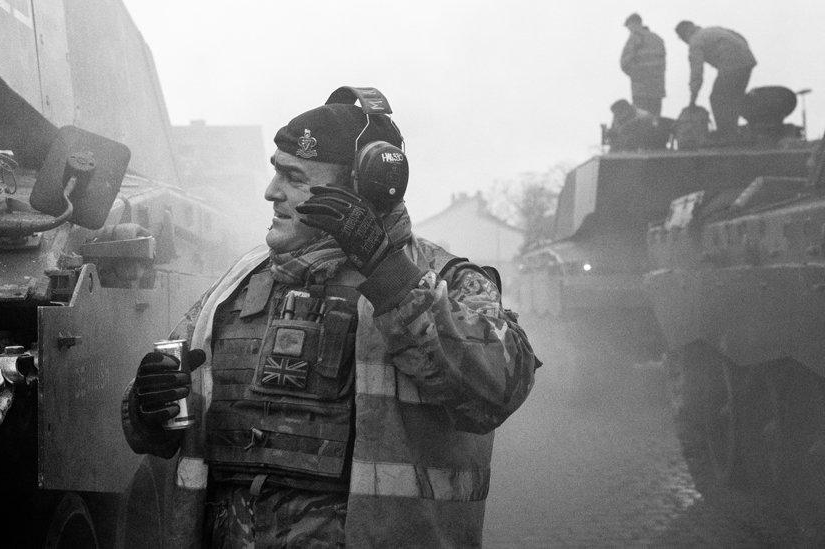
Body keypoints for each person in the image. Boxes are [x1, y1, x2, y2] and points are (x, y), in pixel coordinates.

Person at [121, 87, 539, 547]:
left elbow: (502, 387)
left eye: (293, 177)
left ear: (365, 191)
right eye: (274, 171)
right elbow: (156, 432)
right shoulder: (236, 285)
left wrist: (389, 275)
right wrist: (147, 406)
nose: (270, 192)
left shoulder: (445, 281)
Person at [675, 20, 757, 138]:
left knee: (717, 98)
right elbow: (739, 37)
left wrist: (693, 99)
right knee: (735, 97)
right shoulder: (712, 30)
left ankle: (726, 134)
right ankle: (741, 129)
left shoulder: (695, 41)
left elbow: (696, 73)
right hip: (747, 60)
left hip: (731, 64)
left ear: (684, 34)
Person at [620, 13, 666, 116]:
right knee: (655, 121)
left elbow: (624, 63)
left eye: (628, 26)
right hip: (657, 88)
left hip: (641, 88)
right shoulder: (658, 39)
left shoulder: (635, 37)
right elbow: (663, 65)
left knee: (642, 121)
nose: (629, 30)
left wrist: (635, 75)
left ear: (633, 23)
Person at [606, 98, 671, 151]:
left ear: (627, 109)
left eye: (618, 113)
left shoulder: (644, 116)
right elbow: (616, 134)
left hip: (647, 148)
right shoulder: (618, 118)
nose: (617, 116)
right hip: (627, 148)